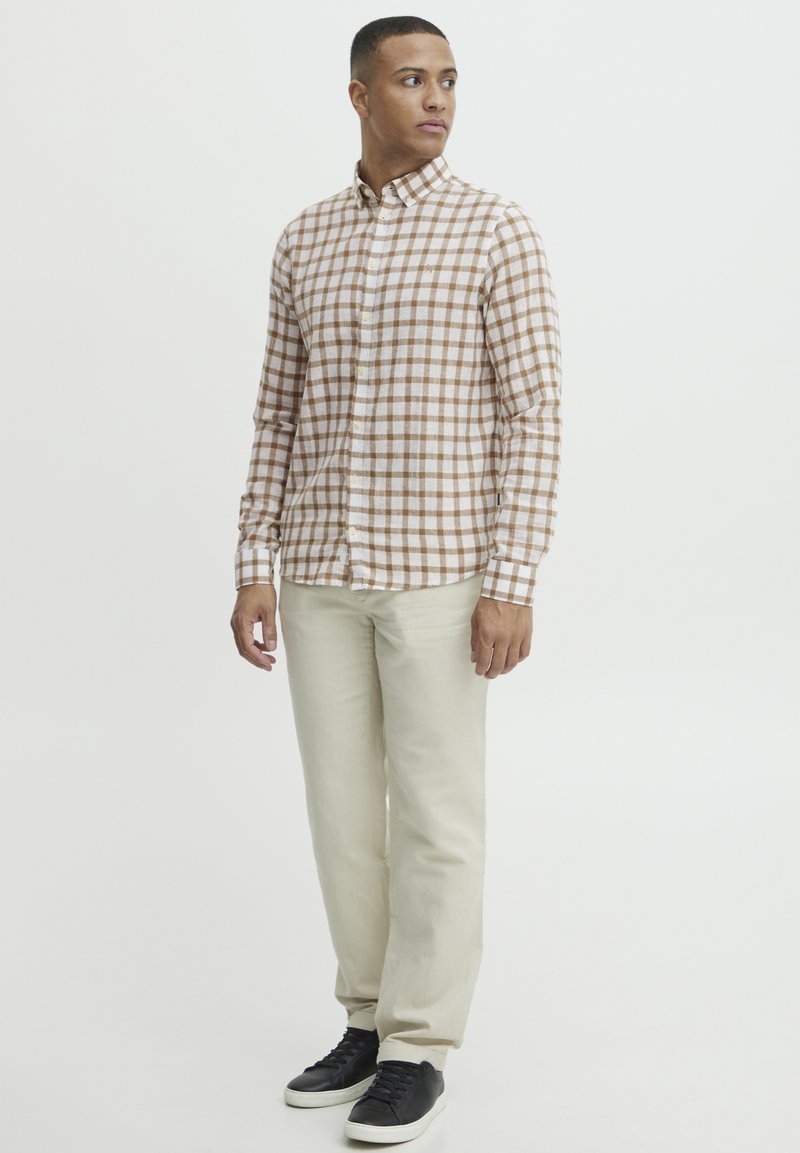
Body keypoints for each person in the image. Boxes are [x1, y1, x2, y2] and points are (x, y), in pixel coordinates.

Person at [229, 14, 562, 1144]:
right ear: (360, 96)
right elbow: (276, 413)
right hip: (319, 571)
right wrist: (254, 562)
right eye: (413, 80)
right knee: (340, 813)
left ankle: (420, 1043)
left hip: (438, 577)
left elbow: (533, 415)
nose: (438, 99)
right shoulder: (304, 239)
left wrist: (511, 578)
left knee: (435, 812)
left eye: (449, 80)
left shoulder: (494, 229)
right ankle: (365, 1018)